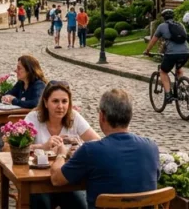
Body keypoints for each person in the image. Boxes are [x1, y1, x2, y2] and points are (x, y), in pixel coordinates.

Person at [49, 89, 159, 209]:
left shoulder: (91, 150)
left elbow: (56, 179)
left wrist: (61, 154)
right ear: (130, 116)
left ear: (102, 116)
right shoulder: (151, 147)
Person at [25, 81, 100, 209]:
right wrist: (42, 146)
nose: (60, 106)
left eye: (64, 101)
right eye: (55, 101)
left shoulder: (74, 117)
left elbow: (97, 143)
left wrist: (78, 148)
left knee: (81, 205)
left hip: (66, 179)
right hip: (39, 180)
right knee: (41, 203)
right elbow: (10, 148)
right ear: (45, 102)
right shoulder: (33, 118)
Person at [142, 9, 189, 102]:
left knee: (163, 72)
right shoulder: (180, 25)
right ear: (173, 17)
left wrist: (147, 51)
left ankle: (168, 95)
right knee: (179, 69)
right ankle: (182, 89)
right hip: (185, 52)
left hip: (171, 53)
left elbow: (153, 40)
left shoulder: (162, 26)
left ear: (163, 18)